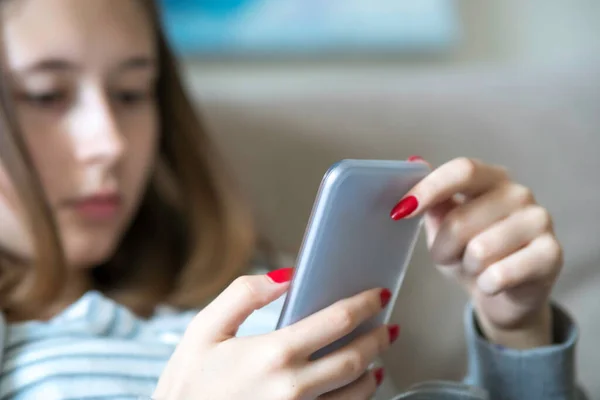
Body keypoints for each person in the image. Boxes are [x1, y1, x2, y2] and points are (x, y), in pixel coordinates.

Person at [0, 0, 586, 399]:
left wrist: (517, 331)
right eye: (45, 94)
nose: (109, 143)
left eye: (132, 92)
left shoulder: (252, 297)